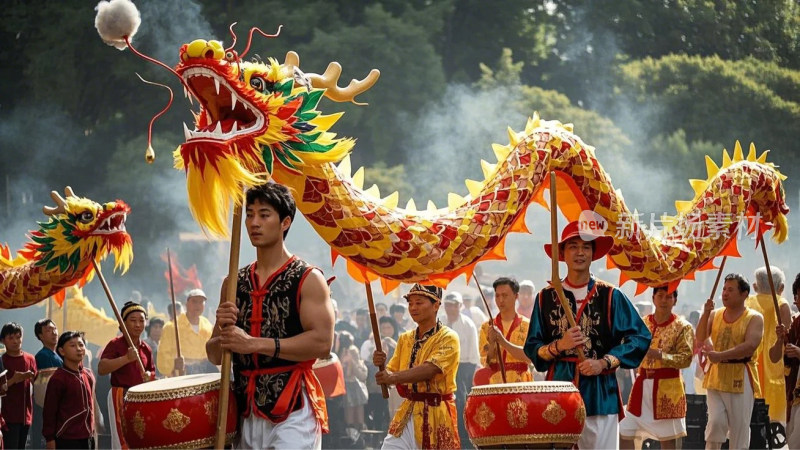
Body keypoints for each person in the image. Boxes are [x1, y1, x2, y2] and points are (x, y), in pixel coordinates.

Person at [206, 183, 333, 450]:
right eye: (250, 214)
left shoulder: (308, 278)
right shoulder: (233, 282)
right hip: (244, 411)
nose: (254, 223)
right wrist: (221, 325)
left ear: (285, 222)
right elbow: (215, 355)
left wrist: (254, 343)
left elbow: (322, 344)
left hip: (293, 408)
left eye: (264, 215)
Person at [523, 221, 651, 449]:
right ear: (561, 253)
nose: (580, 252)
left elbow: (639, 337)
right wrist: (558, 346)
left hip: (601, 393)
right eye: (573, 246)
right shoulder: (546, 297)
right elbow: (532, 346)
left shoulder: (611, 295)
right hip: (559, 390)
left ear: (593, 254)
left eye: (586, 247)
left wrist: (603, 362)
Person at [373, 284, 460, 449]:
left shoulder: (448, 337)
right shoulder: (405, 338)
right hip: (408, 410)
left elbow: (430, 369)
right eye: (410, 303)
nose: (413, 308)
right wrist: (381, 366)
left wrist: (392, 377)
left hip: (436, 412)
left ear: (436, 305)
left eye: (419, 303)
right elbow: (391, 372)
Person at [619, 286, 694, 449]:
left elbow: (686, 359)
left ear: (675, 300)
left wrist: (660, 356)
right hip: (641, 386)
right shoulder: (642, 323)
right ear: (653, 298)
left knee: (667, 439)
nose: (664, 301)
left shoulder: (683, 326)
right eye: (660, 296)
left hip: (668, 389)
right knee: (624, 431)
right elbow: (630, 345)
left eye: (669, 297)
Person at [696, 273, 764, 450]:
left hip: (740, 376)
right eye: (724, 289)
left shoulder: (755, 318)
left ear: (744, 294)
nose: (725, 293)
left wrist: (720, 356)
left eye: (731, 290)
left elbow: (750, 346)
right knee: (715, 422)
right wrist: (705, 313)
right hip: (716, 376)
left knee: (739, 428)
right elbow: (701, 337)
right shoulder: (715, 314)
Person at [98, 301, 155, 449]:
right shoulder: (115, 344)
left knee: (140, 436)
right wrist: (126, 359)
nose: (138, 324)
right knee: (122, 438)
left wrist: (149, 375)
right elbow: (102, 368)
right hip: (121, 395)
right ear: (122, 325)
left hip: (141, 397)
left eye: (141, 320)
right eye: (133, 320)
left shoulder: (146, 348)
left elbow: (152, 371)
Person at [746, 266, 791, 425]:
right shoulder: (782, 304)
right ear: (781, 288)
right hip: (775, 364)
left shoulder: (747, 302)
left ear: (755, 287)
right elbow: (788, 339)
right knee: (773, 419)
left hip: (750, 362)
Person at [42, 331, 96, 449]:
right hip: (67, 438)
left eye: (81, 345)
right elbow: (49, 412)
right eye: (72, 345)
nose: (78, 349)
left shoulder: (88, 375)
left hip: (88, 437)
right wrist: (50, 439)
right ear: (62, 351)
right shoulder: (58, 378)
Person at [441, 291, 479, 444]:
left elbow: (473, 353)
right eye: (448, 306)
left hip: (463, 366)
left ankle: (463, 438)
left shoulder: (467, 324)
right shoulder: (440, 322)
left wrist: (466, 375)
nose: (451, 309)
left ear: (460, 306)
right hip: (443, 367)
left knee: (461, 401)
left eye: (454, 306)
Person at [480, 277, 532, 384]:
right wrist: (492, 342)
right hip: (495, 383)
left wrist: (503, 342)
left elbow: (530, 357)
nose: (500, 300)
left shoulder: (528, 325)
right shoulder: (487, 326)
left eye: (505, 295)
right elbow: (486, 362)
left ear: (516, 296)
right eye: (497, 296)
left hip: (521, 383)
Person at [158, 288, 215, 376]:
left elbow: (212, 353)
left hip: (204, 377)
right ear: (186, 304)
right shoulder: (171, 327)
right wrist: (173, 364)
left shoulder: (207, 325)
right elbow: (162, 357)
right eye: (194, 301)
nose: (198, 305)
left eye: (201, 302)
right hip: (179, 378)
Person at [1, 322, 37, 450]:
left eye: (18, 337)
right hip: (8, 415)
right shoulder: (2, 360)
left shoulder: (30, 358)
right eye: (11, 338)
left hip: (26, 414)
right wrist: (14, 380)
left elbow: (36, 382)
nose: (16, 341)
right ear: (3, 341)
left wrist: (33, 378)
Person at [361, 317, 400, 432]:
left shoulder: (399, 342)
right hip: (378, 385)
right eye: (383, 328)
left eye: (389, 327)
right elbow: (369, 363)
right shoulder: (373, 343)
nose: (386, 330)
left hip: (397, 384)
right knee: (379, 411)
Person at [32, 319, 62, 448]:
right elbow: (46, 387)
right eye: (48, 330)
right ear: (41, 336)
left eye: (54, 329)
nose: (54, 332)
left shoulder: (57, 355)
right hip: (47, 408)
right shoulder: (43, 356)